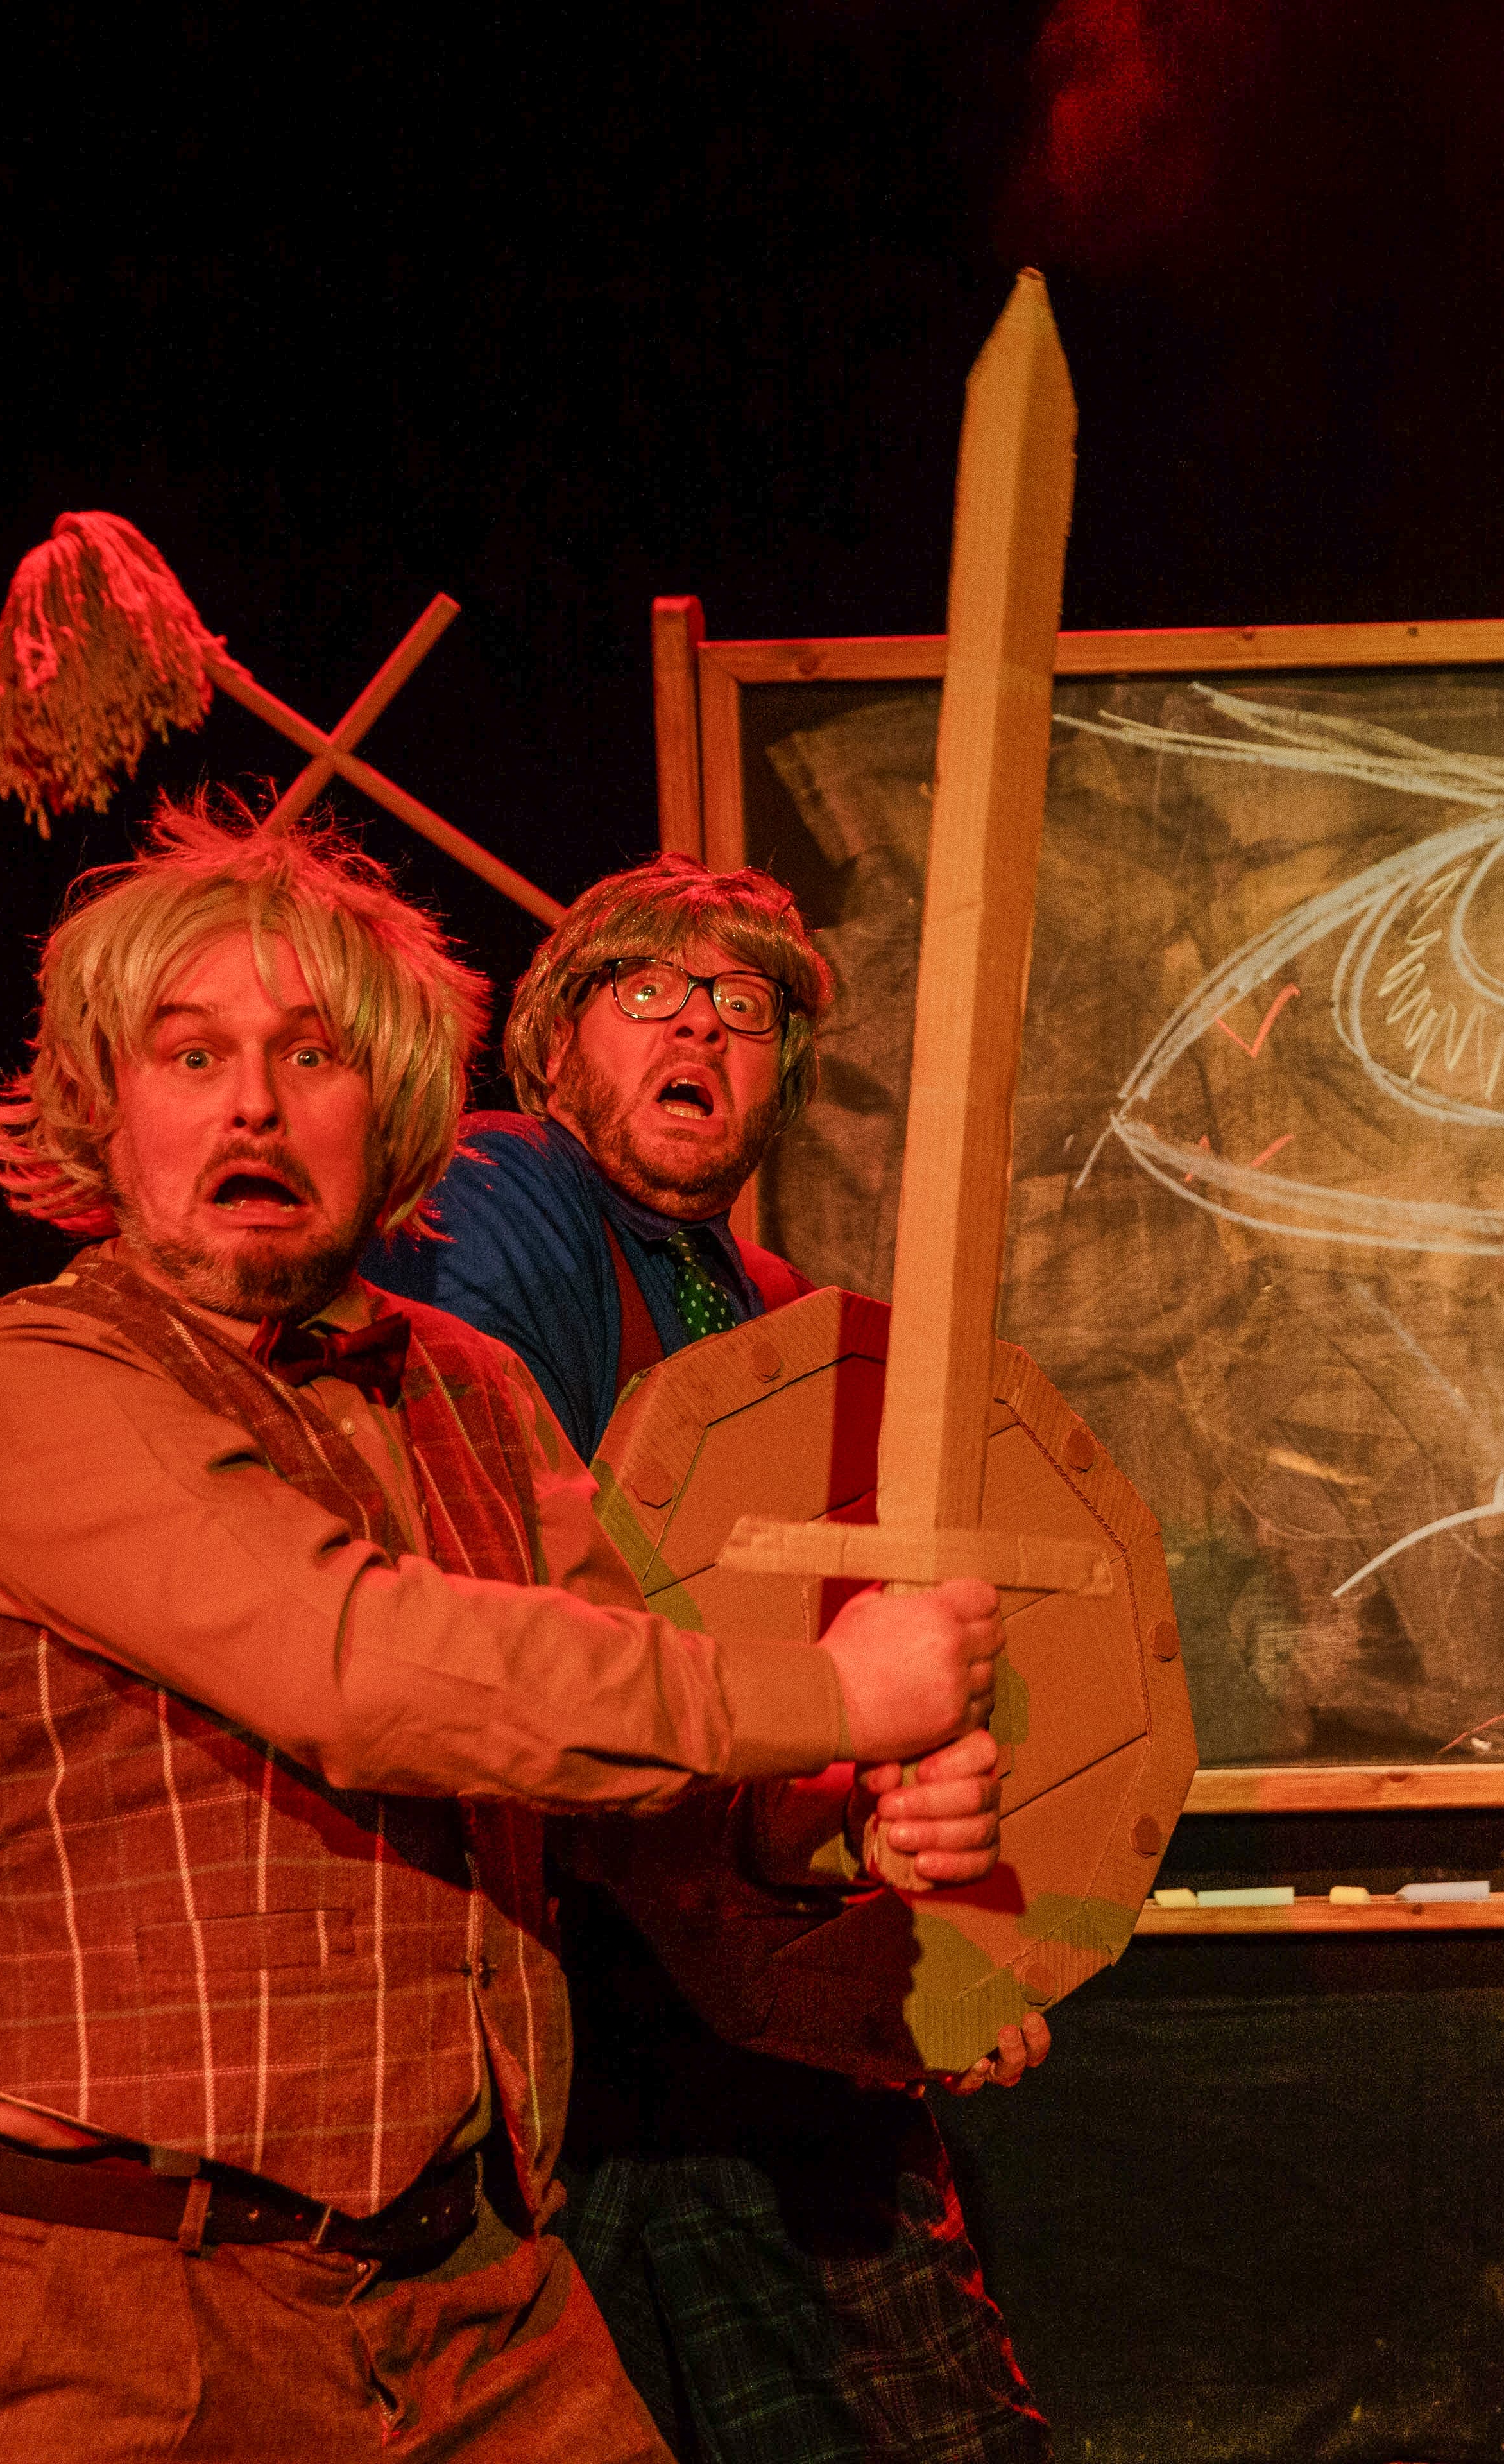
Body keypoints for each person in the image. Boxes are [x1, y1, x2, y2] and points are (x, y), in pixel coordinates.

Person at [0, 802, 1009, 2463]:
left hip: (469, 2289)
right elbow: (363, 1667)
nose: (251, 1099)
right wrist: (834, 1686)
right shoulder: (15, 1382)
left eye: (309, 1054)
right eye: (190, 1056)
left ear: (392, 1107)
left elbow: (625, 1769)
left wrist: (828, 1810)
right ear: (104, 1111)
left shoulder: (471, 1391)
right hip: (115, 2301)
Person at [369, 854, 1053, 2464]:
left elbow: (913, 1675)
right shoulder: (505, 1192)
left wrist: (965, 1917)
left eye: (743, 1011)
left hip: (776, 1994)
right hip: (588, 1996)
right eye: (650, 994)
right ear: (555, 1049)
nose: (703, 1030)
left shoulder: (802, 1319)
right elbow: (528, 1574)